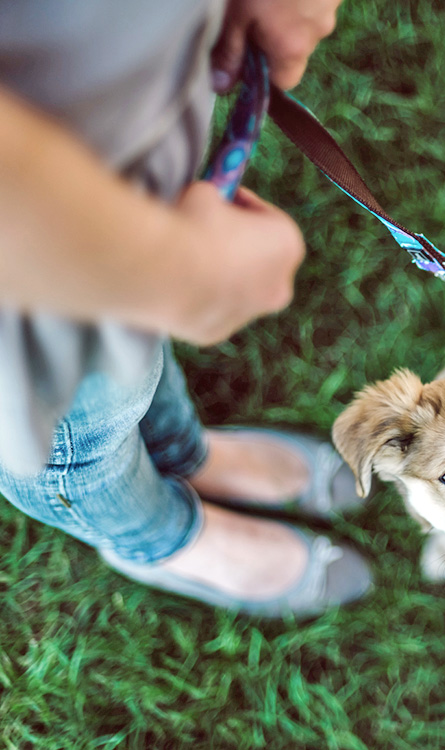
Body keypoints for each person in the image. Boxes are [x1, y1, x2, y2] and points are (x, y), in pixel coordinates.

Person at [0, 0, 372, 617]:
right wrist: (174, 271)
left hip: (123, 146)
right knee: (72, 430)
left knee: (131, 360)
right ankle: (156, 536)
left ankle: (180, 455)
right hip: (26, 270)